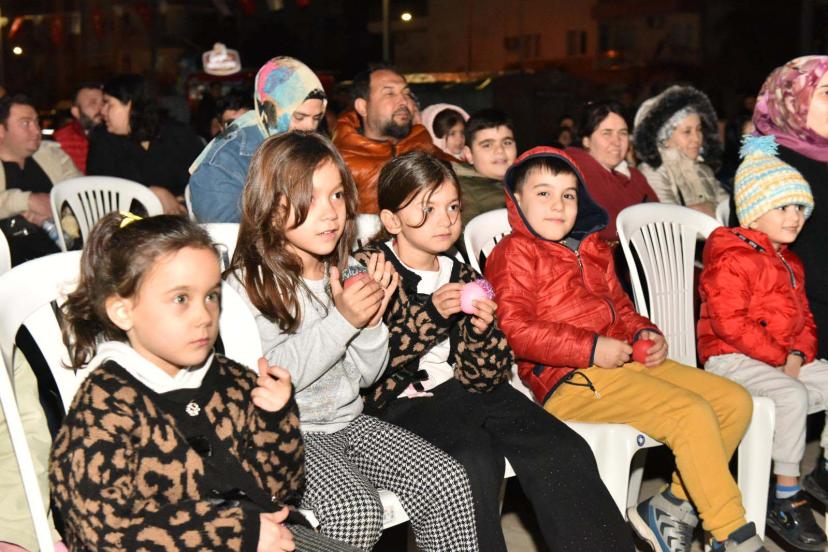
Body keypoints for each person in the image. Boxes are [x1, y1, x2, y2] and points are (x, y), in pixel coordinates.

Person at [485, 146, 765, 552]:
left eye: (568, 194)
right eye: (543, 193)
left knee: (734, 402)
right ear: (517, 200)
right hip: (571, 380)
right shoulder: (514, 253)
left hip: (623, 364)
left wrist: (644, 333)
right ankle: (732, 533)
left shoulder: (593, 247)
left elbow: (622, 308)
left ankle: (673, 505)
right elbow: (513, 329)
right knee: (689, 413)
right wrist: (590, 348)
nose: (558, 205)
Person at [354, 151, 634, 552]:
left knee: (562, 447)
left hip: (462, 393)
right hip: (396, 404)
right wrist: (432, 315)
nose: (445, 219)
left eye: (452, 207)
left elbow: (486, 377)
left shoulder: (463, 274)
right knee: (472, 458)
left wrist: (480, 332)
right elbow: (367, 364)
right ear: (392, 220)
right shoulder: (370, 270)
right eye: (427, 209)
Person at [228, 132, 478, 551]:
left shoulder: (347, 270)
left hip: (351, 420)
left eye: (338, 195)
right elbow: (272, 374)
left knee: (447, 479)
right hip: (290, 434)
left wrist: (371, 324)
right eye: (311, 198)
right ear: (271, 207)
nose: (331, 213)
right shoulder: (250, 285)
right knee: (354, 509)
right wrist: (344, 321)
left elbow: (365, 377)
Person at [50, 212, 358, 551]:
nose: (203, 316)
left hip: (270, 536)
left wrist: (275, 420)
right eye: (181, 299)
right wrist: (233, 533)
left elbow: (281, 489)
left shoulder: (230, 379)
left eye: (211, 296)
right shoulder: (104, 407)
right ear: (123, 311)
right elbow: (99, 534)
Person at [698, 135, 827, 552]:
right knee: (790, 395)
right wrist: (780, 357)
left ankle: (824, 470)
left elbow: (806, 318)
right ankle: (786, 495)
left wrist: (798, 353)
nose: (795, 217)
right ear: (754, 211)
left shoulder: (790, 260)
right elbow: (729, 322)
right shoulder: (732, 256)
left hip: (780, 358)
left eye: (799, 208)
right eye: (782, 207)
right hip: (731, 358)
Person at [752, 55, 828, 361]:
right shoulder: (771, 167)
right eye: (827, 93)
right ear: (794, 100)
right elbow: (774, 266)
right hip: (799, 318)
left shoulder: (820, 157)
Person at [189, 56, 326, 223]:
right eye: (299, 117)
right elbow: (227, 233)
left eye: (317, 118)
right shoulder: (223, 163)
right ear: (271, 110)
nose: (309, 127)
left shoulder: (305, 146)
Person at [333, 64, 448, 214]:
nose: (404, 101)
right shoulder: (340, 163)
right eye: (390, 94)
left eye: (406, 93)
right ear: (363, 107)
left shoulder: (421, 143)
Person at [86, 75, 203, 215]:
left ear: (131, 105)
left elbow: (204, 178)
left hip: (184, 217)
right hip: (128, 222)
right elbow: (101, 192)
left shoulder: (178, 134)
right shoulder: (102, 139)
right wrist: (150, 193)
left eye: (108, 104)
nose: (102, 111)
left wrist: (183, 200)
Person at [0, 94, 81, 265]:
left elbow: (81, 192)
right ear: (1, 130)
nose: (37, 131)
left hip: (64, 257)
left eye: (36, 122)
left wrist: (57, 209)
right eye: (25, 123)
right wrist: (28, 201)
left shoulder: (53, 155)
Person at [566, 100, 658, 241]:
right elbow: (608, 231)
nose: (616, 142)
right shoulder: (576, 172)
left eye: (623, 133)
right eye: (607, 133)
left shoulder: (633, 175)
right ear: (586, 140)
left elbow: (663, 222)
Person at [634, 85, 729, 218]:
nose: (696, 138)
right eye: (687, 132)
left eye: (698, 129)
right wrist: (702, 212)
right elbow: (668, 220)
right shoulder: (653, 171)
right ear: (664, 138)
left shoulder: (703, 170)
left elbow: (729, 211)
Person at [453, 108, 517, 228]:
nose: (500, 150)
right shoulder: (462, 193)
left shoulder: (525, 182)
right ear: (469, 154)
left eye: (507, 143)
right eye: (487, 145)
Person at [52, 83, 103, 174]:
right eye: (93, 103)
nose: (101, 109)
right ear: (76, 112)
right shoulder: (61, 141)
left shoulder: (117, 135)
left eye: (104, 103)